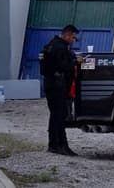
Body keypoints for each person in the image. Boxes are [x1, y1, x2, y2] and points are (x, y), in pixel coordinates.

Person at [41, 24, 81, 155]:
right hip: (57, 85)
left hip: (51, 84)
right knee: (60, 115)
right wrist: (76, 61)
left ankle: (54, 144)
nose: (74, 40)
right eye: (74, 38)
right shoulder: (60, 48)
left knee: (55, 115)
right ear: (67, 35)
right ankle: (60, 145)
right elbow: (64, 66)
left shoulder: (52, 45)